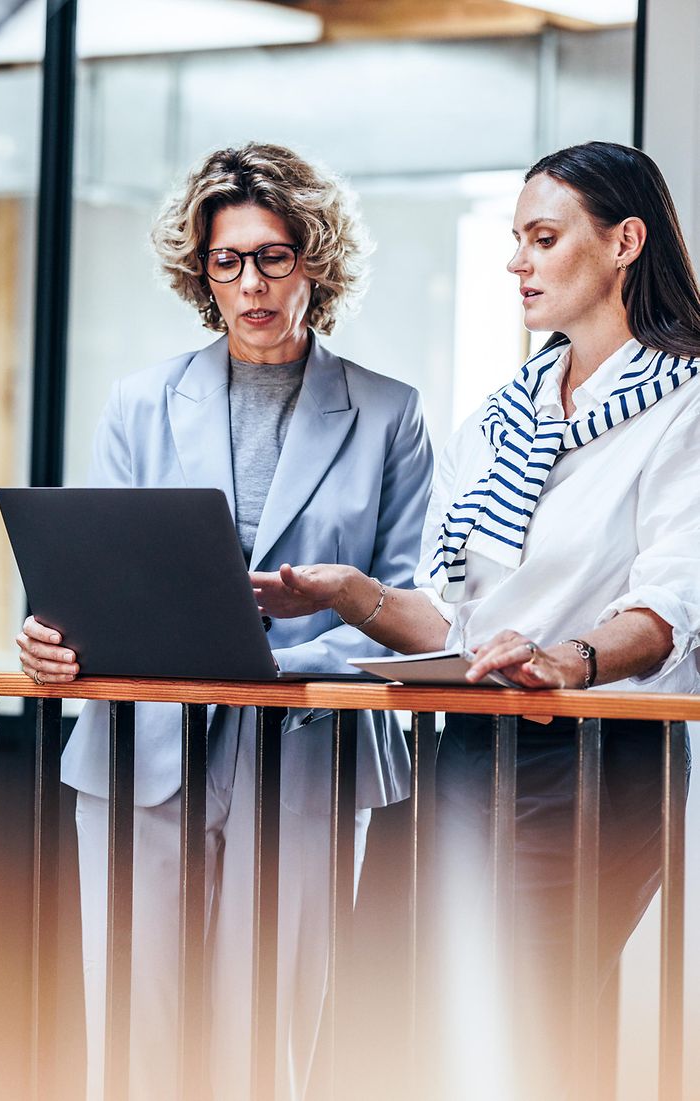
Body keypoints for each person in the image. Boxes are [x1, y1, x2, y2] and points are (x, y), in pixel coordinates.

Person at [254, 140, 700, 1096]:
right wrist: (349, 593)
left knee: (517, 1045)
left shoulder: (687, 404)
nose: (518, 264)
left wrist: (565, 661)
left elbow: (671, 606)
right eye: (514, 241)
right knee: (376, 1031)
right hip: (461, 748)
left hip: (594, 763)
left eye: (543, 238)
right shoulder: (499, 419)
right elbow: (454, 623)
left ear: (626, 242)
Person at [16, 141, 432, 1100]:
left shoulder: (389, 414)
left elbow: (407, 605)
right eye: (228, 260)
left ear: (314, 260)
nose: (251, 283)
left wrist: (293, 654)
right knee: (133, 1032)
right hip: (143, 747)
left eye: (274, 255)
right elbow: (87, 569)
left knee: (269, 1036)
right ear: (202, 271)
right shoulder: (140, 401)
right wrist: (46, 633)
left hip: (307, 745)